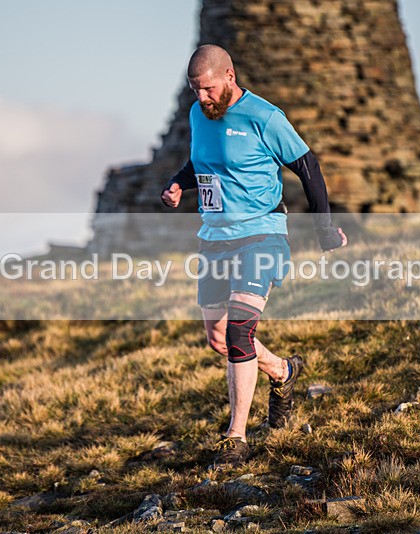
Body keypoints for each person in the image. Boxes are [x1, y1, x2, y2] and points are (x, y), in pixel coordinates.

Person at [161, 44, 347, 467]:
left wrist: (323, 229)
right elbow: (200, 164)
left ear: (229, 75)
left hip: (261, 234)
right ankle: (283, 371)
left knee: (239, 334)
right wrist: (177, 184)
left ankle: (236, 437)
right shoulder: (196, 115)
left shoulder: (265, 117)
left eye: (208, 88)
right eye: (195, 91)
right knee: (217, 338)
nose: (202, 98)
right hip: (214, 239)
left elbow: (309, 167)